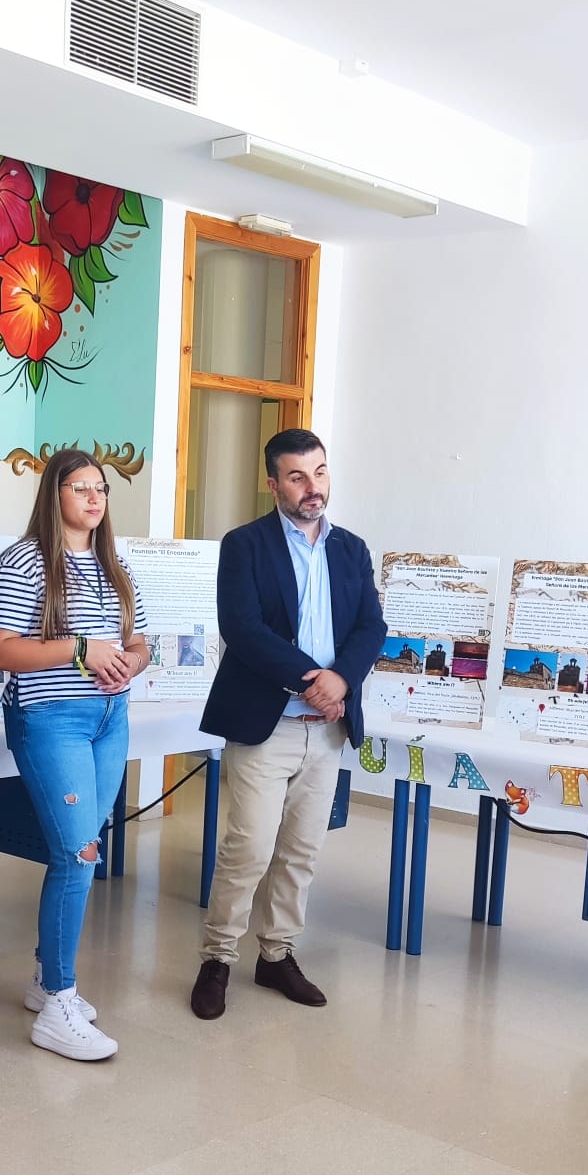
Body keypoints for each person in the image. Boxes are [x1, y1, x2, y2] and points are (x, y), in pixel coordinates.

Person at [190, 429, 385, 1020]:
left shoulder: (350, 548)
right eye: (298, 477)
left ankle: (276, 956)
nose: (313, 488)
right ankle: (217, 958)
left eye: (320, 473)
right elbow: (243, 628)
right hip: (266, 723)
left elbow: (370, 628)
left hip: (326, 728)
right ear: (272, 482)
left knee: (301, 851)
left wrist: (342, 681)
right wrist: (312, 679)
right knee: (248, 848)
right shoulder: (245, 545)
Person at [0, 448, 150, 1060]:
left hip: (111, 718)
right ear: (54, 494)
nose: (93, 498)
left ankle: (43, 976)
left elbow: (137, 640)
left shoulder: (114, 561)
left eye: (101, 488)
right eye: (80, 487)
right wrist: (79, 649)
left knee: (85, 849)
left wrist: (132, 659)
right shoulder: (24, 562)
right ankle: (57, 1002)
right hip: (51, 718)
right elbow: (0, 651)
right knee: (77, 853)